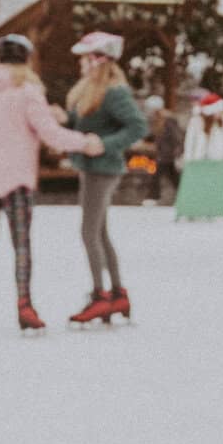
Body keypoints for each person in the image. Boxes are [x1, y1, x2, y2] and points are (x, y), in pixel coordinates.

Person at [0, 35, 99, 333]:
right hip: (15, 178)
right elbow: (49, 134)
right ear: (27, 59)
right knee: (21, 244)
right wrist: (84, 142)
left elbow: (8, 122)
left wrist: (48, 114)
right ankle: (25, 306)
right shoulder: (27, 91)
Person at [62, 31, 150, 326]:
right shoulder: (89, 90)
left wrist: (105, 143)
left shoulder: (113, 91)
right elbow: (82, 122)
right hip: (92, 168)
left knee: (89, 232)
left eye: (84, 59)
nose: (81, 64)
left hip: (102, 169)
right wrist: (63, 121)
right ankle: (117, 293)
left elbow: (138, 126)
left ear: (98, 60)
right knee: (99, 232)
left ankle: (101, 296)